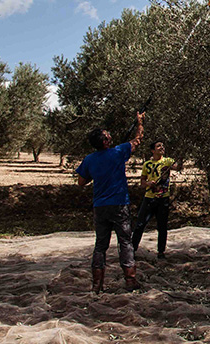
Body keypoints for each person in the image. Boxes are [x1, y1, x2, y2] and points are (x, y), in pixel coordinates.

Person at [76, 111, 144, 293]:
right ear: (105, 141)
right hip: (119, 204)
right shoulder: (119, 152)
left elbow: (81, 182)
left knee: (100, 245)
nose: (110, 136)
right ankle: (130, 280)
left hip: (100, 206)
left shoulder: (89, 159)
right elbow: (138, 139)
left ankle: (97, 285)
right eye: (107, 136)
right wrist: (139, 122)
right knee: (125, 242)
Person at [131, 141, 182, 259]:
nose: (162, 147)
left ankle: (161, 252)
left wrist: (180, 155)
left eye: (163, 146)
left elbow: (178, 167)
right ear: (152, 150)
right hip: (149, 198)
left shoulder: (167, 161)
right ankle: (132, 249)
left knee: (162, 226)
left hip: (163, 199)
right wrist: (148, 183)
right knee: (140, 224)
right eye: (158, 146)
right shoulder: (147, 164)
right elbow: (142, 182)